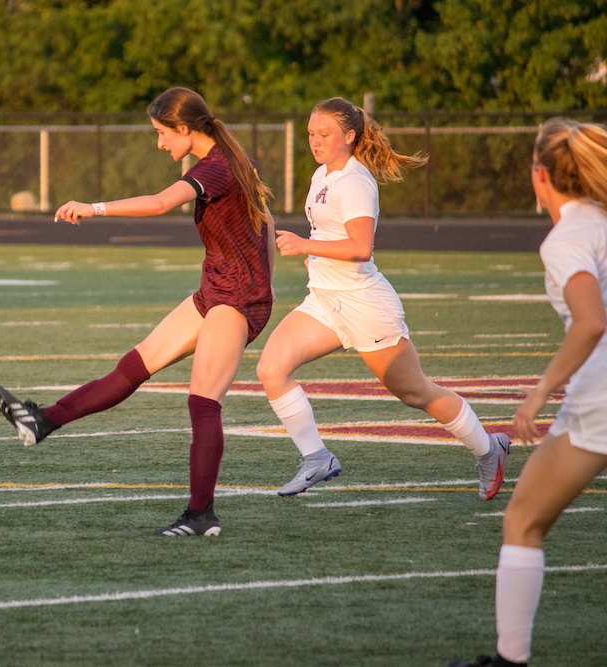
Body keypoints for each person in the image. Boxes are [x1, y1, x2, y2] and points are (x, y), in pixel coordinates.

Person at [0, 86, 276, 536]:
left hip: (236, 298)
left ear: (185, 129)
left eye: (163, 133)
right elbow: (265, 226)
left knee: (203, 402)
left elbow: (161, 203)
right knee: (134, 365)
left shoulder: (217, 166)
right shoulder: (230, 157)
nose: (159, 142)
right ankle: (43, 420)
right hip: (217, 289)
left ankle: (201, 514)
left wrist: (94, 208)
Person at [255, 97, 510, 498]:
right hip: (325, 300)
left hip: (364, 304)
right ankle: (317, 458)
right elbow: (329, 234)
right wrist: (314, 255)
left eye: (324, 134)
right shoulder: (321, 174)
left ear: (350, 136)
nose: (315, 141)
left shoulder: (355, 181)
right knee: (271, 368)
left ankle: (489, 450)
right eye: (310, 133)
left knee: (415, 392)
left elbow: (360, 247)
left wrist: (306, 247)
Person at [448, 120, 607, 667]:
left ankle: (510, 659)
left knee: (523, 520)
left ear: (540, 176)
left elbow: (590, 323)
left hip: (601, 397)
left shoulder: (565, 238)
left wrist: (538, 393)